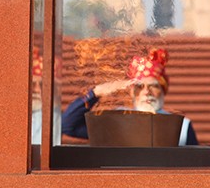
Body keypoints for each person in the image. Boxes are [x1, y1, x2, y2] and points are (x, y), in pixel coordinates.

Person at [62, 48, 198, 145]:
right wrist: (95, 93)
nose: (146, 92)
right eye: (140, 86)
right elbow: (68, 126)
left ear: (163, 90)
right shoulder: (117, 120)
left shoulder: (182, 127)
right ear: (132, 92)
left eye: (153, 86)